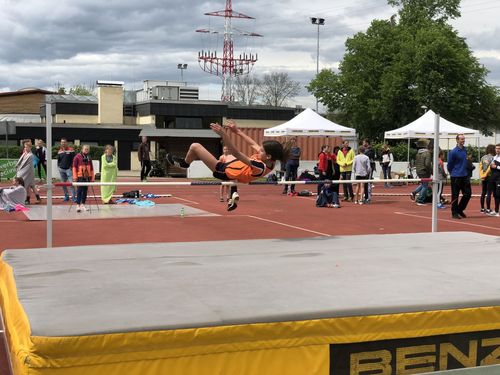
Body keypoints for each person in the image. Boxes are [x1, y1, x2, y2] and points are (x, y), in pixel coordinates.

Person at [166, 120, 284, 211]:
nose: (259, 151)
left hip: (223, 171)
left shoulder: (260, 166)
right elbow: (252, 143)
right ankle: (233, 192)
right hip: (233, 170)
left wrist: (224, 135)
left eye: (261, 151)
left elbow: (236, 153)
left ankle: (185, 164)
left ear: (268, 156)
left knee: (195, 146)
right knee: (230, 160)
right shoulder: (270, 160)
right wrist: (237, 131)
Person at [447, 134, 472, 219]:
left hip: (465, 176)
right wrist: (452, 173)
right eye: (461, 139)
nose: (463, 140)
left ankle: (460, 209)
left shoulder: (465, 150)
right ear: (457, 140)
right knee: (455, 195)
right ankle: (454, 212)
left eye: (464, 139)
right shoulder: (453, 152)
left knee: (468, 194)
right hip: (456, 176)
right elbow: (449, 165)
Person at [15, 139, 41, 204]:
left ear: (30, 147)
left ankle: (29, 199)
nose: (25, 148)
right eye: (25, 147)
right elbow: (21, 163)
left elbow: (26, 165)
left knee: (29, 185)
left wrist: (19, 170)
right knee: (30, 186)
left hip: (28, 173)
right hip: (28, 172)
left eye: (26, 147)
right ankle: (30, 199)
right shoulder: (25, 154)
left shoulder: (30, 155)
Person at [73, 145, 95, 213]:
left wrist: (92, 177)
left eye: (87, 149)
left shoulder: (89, 157)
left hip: (87, 177)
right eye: (85, 149)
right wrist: (75, 177)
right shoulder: (77, 156)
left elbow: (91, 168)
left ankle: (83, 204)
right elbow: (74, 167)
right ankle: (78, 205)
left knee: (85, 191)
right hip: (79, 176)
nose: (86, 150)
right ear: (82, 149)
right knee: (79, 191)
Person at [412, 139, 432, 206]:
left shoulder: (418, 153)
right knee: (425, 186)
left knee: (423, 184)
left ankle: (414, 192)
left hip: (419, 171)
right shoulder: (427, 153)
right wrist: (431, 171)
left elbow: (417, 162)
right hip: (425, 171)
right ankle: (420, 200)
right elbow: (427, 164)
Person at [57, 138, 76, 202]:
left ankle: (73, 198)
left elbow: (74, 160)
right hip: (61, 170)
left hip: (69, 170)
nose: (63, 143)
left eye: (64, 142)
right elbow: (59, 160)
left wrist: (71, 167)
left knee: (71, 184)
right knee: (63, 184)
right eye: (62, 142)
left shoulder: (71, 150)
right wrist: (59, 167)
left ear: (67, 143)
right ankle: (66, 196)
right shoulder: (59, 151)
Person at [479, 144, 495, 214]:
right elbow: (491, 167)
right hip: (490, 176)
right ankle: (488, 209)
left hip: (483, 176)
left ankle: (482, 208)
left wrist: (482, 175)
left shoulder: (483, 157)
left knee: (483, 192)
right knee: (489, 193)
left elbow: (480, 167)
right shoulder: (493, 158)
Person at [488, 143, 500, 217]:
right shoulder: (494, 157)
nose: (497, 150)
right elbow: (491, 167)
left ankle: (497, 211)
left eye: (499, 148)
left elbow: (496, 167)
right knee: (495, 195)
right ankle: (496, 210)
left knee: (498, 194)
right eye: (496, 148)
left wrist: (496, 166)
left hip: (499, 179)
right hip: (493, 178)